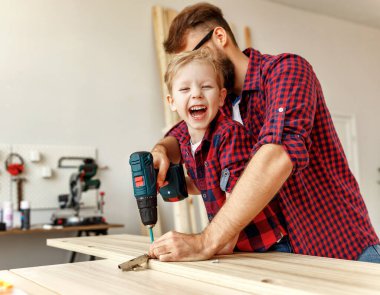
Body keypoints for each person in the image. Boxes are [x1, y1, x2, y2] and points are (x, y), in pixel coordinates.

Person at [149, 2, 380, 262]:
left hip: (344, 249)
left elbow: (277, 156)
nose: (193, 67)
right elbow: (178, 134)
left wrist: (206, 242)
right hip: (286, 259)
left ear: (220, 37)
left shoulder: (285, 71)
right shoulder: (218, 108)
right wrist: (160, 151)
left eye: (195, 55)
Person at [159, 48, 288, 260]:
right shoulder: (186, 142)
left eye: (206, 86)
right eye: (184, 89)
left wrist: (211, 246)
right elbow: (205, 183)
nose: (196, 94)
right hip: (235, 248)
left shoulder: (230, 134)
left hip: (265, 247)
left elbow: (235, 193)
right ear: (171, 101)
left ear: (221, 97)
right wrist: (175, 182)